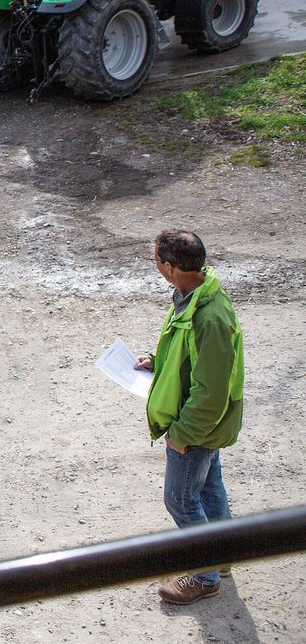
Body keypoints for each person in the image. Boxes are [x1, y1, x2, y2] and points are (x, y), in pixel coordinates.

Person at [133, 230, 244, 605]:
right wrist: (157, 360)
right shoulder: (191, 296)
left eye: (156, 261)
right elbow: (189, 356)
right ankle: (223, 556)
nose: (156, 267)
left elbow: (210, 391)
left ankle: (205, 576)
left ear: (170, 266)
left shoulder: (208, 317)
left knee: (181, 500)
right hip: (202, 425)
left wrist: (182, 433)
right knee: (209, 489)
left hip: (196, 425)